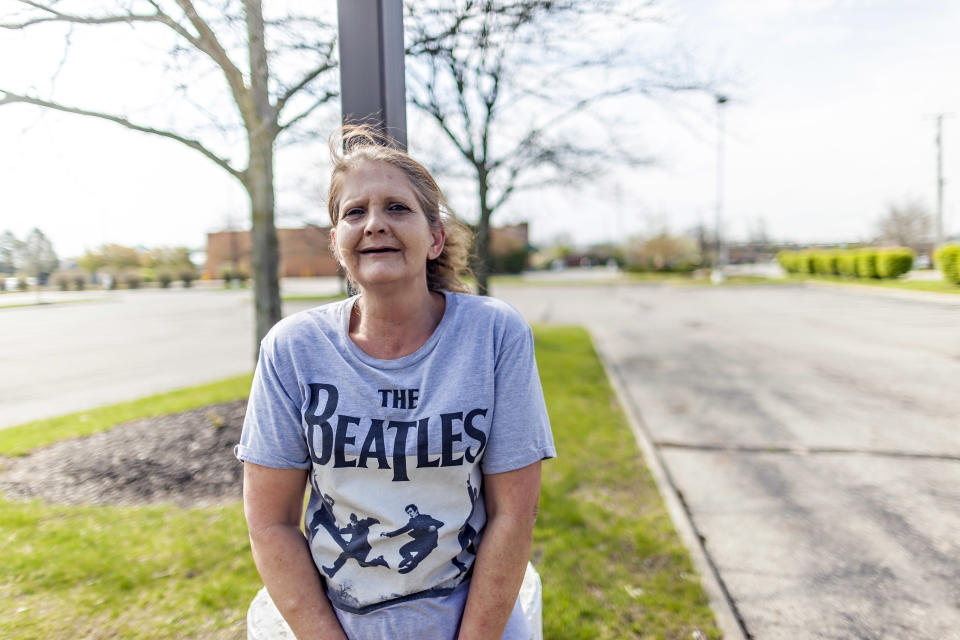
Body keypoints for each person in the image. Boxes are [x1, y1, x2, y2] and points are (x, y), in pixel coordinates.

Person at [236, 125, 556, 640]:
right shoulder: (292, 348)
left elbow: (514, 514)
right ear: (337, 243)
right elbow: (270, 523)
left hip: (469, 612)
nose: (374, 224)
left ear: (435, 238)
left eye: (397, 208)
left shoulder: (495, 334)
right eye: (354, 212)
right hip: (331, 618)